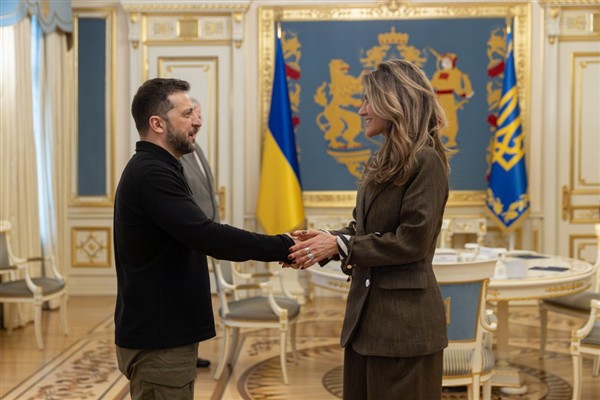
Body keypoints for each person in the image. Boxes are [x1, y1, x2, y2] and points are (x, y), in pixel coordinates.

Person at [113, 77, 295, 400]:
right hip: (160, 343)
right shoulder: (152, 174)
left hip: (163, 336)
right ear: (157, 124)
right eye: (187, 114)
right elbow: (208, 235)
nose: (197, 120)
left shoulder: (161, 167)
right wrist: (285, 245)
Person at [286, 59, 450, 399]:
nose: (360, 110)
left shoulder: (427, 160)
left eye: (367, 101)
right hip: (365, 322)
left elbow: (412, 242)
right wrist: (326, 240)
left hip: (405, 328)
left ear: (395, 102)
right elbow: (362, 229)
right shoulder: (382, 159)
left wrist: (340, 247)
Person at [180, 98, 217, 369]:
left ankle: (190, 350)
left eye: (200, 116)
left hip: (204, 231)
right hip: (188, 233)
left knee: (195, 296)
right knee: (186, 294)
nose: (198, 122)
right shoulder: (174, 155)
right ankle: (183, 352)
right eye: (193, 115)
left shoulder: (196, 148)